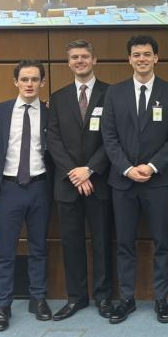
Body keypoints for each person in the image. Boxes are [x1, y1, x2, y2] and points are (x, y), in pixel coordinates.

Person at [101, 35, 168, 324]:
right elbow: (109, 136)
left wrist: (151, 166)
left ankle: (161, 299)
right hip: (123, 182)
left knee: (162, 242)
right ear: (129, 59)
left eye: (147, 54)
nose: (142, 59)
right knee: (125, 243)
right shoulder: (115, 93)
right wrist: (127, 168)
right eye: (136, 54)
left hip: (158, 182)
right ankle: (127, 298)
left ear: (156, 58)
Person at [47, 40, 114, 321]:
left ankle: (104, 297)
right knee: (71, 244)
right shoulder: (58, 97)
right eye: (74, 57)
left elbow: (113, 138)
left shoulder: (111, 94)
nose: (80, 61)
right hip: (67, 184)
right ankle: (76, 298)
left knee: (102, 243)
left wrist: (90, 169)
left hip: (100, 182)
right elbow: (53, 139)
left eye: (85, 56)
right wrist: (74, 173)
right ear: (68, 62)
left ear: (94, 60)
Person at [0, 60, 54, 332]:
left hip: (40, 186)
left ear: (42, 83)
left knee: (39, 247)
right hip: (8, 188)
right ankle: (2, 305)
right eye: (24, 79)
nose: (29, 84)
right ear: (15, 81)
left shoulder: (50, 113)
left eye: (35, 79)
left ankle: (38, 298)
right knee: (6, 250)